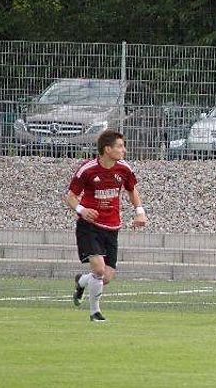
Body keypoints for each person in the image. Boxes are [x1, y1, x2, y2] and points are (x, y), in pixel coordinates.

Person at [67, 130, 147, 322]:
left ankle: (81, 281)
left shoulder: (124, 169)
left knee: (106, 277)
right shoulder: (87, 169)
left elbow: (132, 190)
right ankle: (95, 312)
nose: (124, 150)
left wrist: (140, 212)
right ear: (107, 149)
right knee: (99, 269)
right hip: (89, 226)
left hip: (112, 227)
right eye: (120, 146)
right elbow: (70, 196)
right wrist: (81, 210)